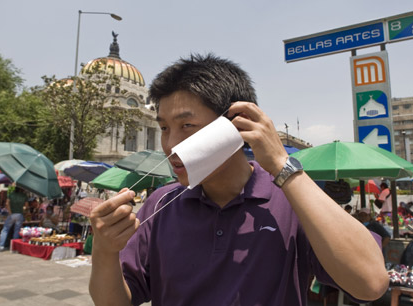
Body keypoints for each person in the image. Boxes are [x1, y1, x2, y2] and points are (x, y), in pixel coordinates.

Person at [89, 54, 388, 306]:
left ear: (236, 124)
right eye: (165, 128)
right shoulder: (161, 203)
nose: (171, 144)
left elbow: (371, 283)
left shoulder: (292, 200)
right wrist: (104, 251)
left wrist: (284, 167)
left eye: (187, 125)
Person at [0, 186, 28, 252]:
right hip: (19, 214)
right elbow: (26, 206)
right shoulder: (24, 195)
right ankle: (14, 247)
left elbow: (7, 203)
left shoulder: (11, 194)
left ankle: (1, 246)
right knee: (17, 230)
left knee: (5, 230)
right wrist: (22, 210)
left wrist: (10, 212)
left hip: (12, 214)